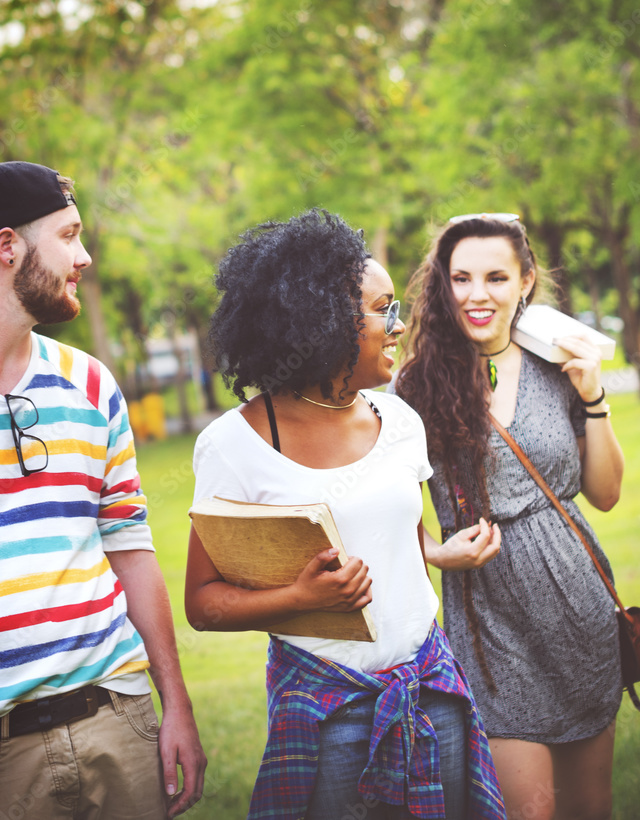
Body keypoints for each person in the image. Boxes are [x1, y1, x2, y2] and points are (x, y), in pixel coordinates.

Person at [183, 208, 504, 819]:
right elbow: (202, 604)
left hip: (430, 689)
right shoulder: (234, 445)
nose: (399, 326)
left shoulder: (399, 422)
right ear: (323, 323)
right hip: (329, 712)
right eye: (383, 309)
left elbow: (399, 538)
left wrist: (438, 552)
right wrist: (301, 597)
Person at [0, 161, 206, 820]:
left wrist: (175, 706)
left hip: (118, 720)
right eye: (69, 236)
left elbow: (130, 549)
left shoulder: (93, 384)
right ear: (8, 246)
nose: (86, 256)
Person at [393, 213, 625, 820]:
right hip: (491, 625)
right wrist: (437, 553)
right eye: (460, 277)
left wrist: (594, 396)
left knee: (590, 809)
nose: (476, 294)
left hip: (580, 614)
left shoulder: (559, 365)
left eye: (495, 277)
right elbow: (380, 515)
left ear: (525, 281)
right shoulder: (410, 390)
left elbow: (604, 494)